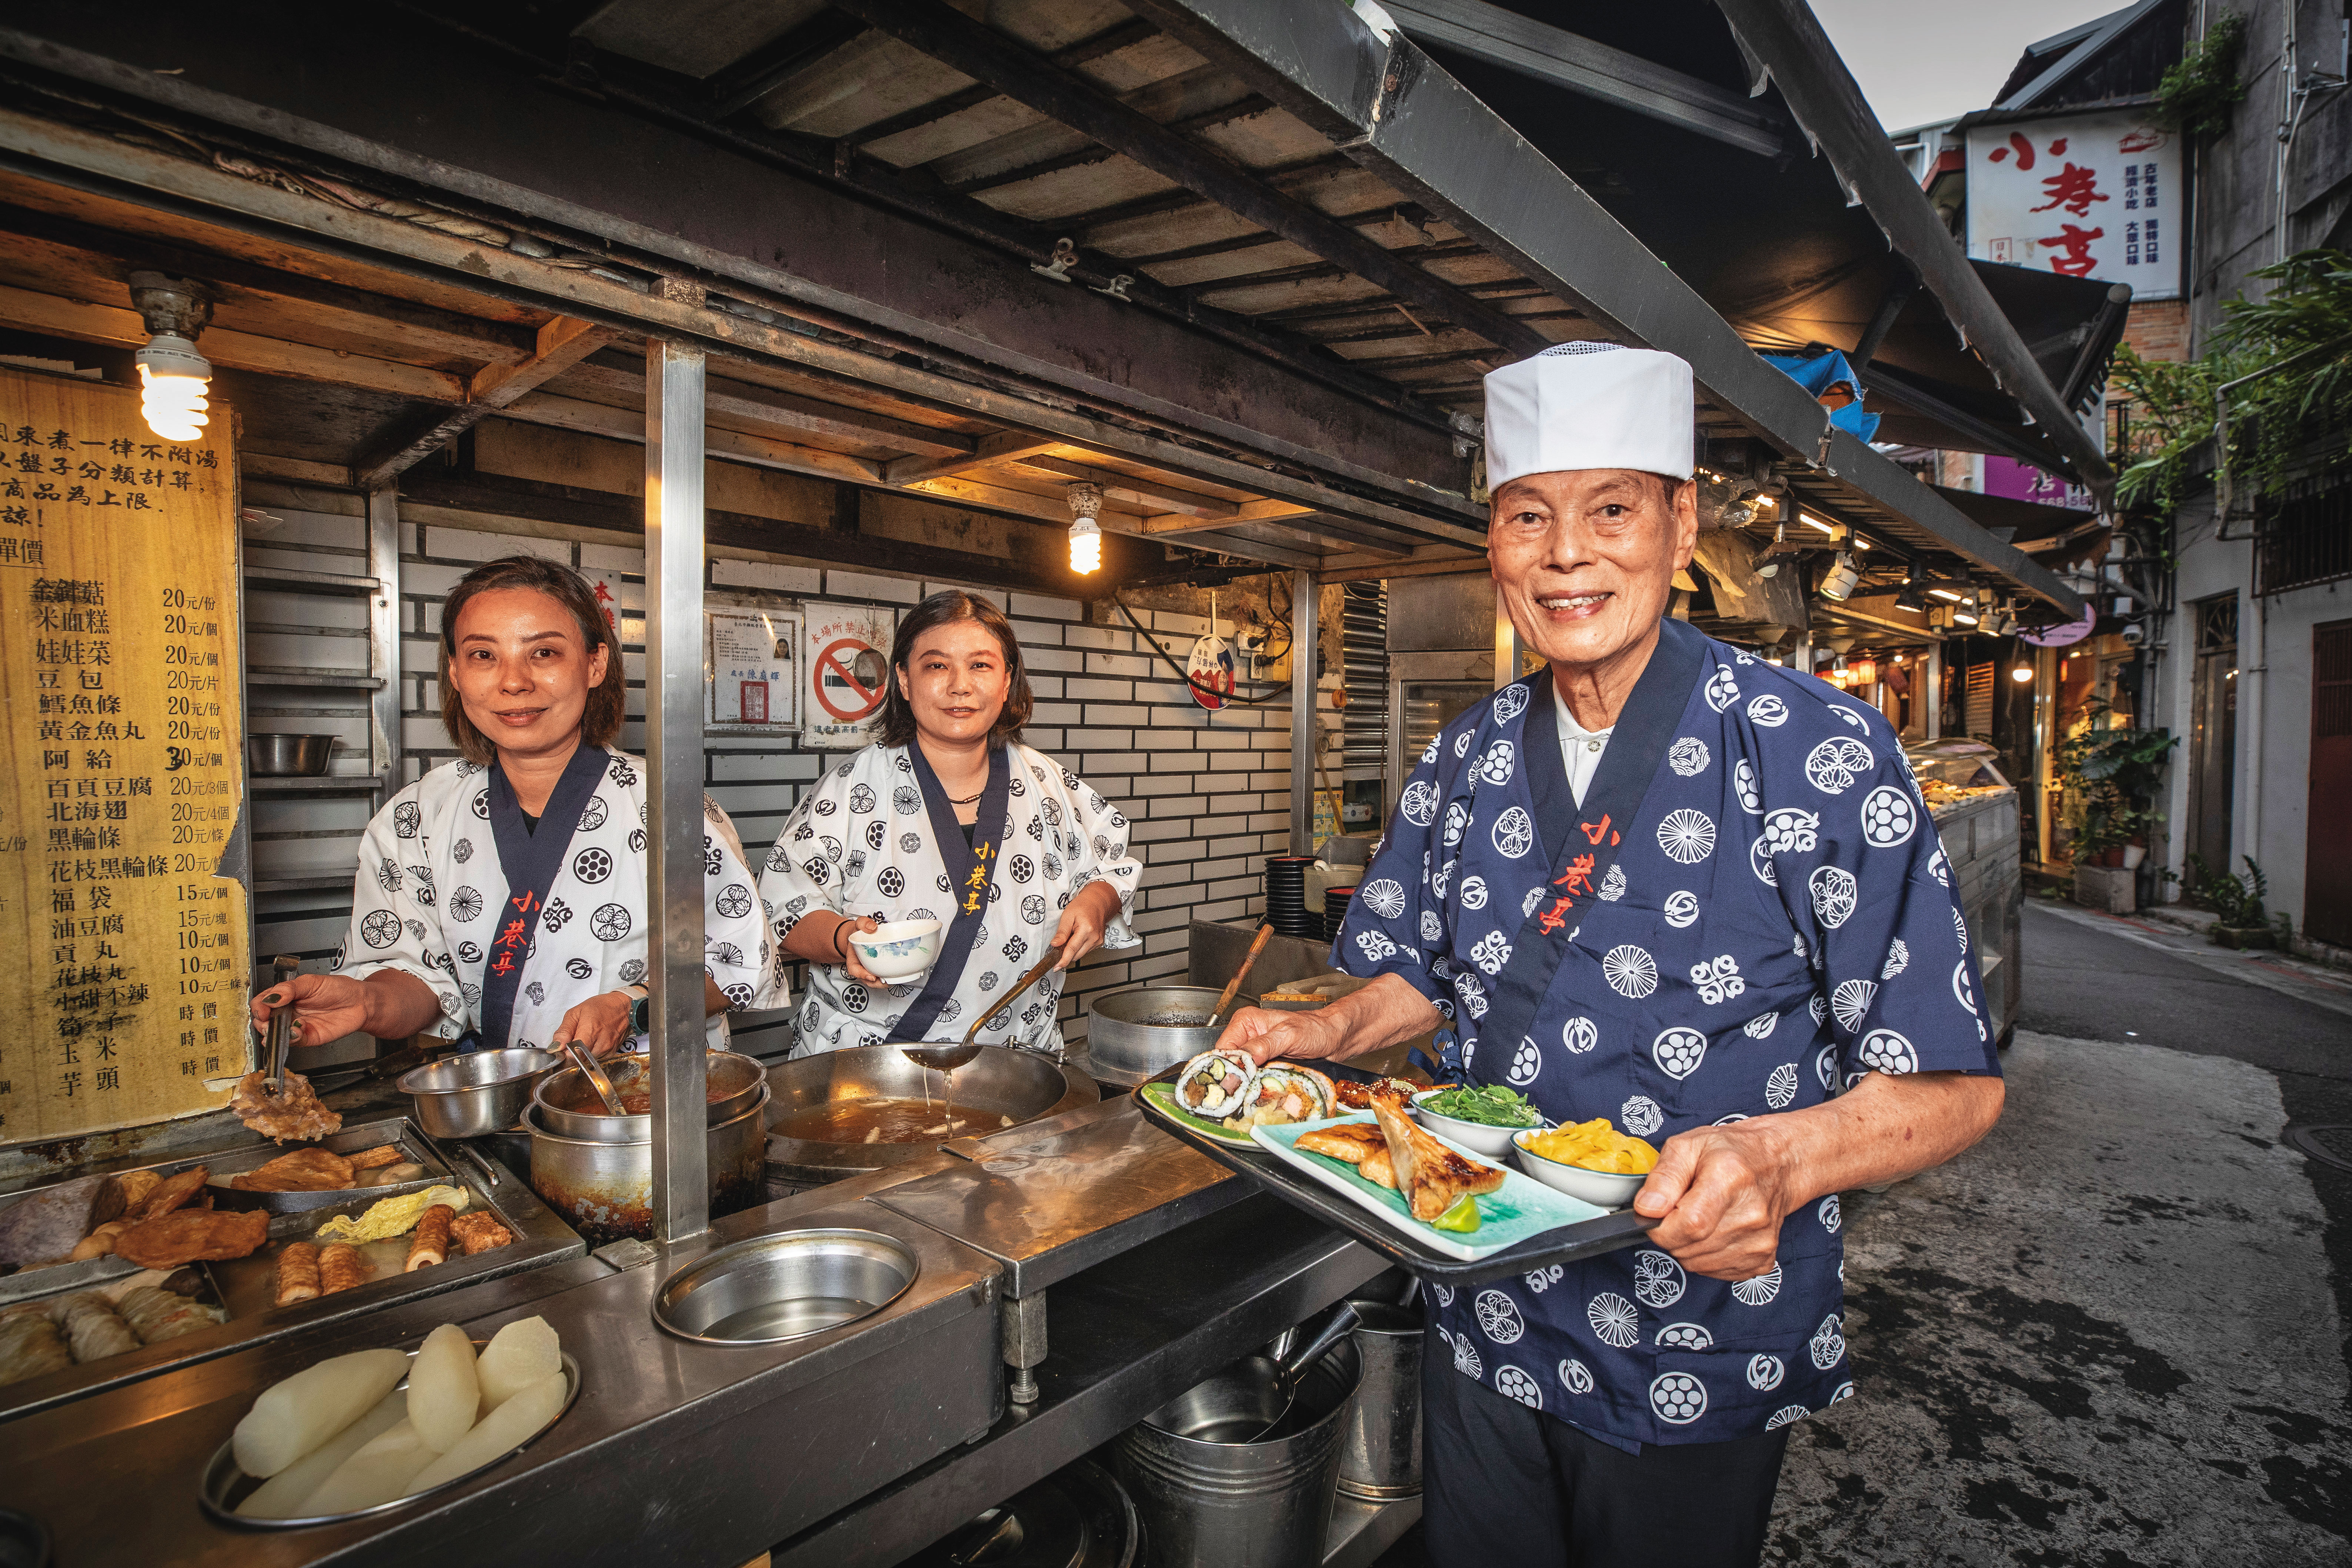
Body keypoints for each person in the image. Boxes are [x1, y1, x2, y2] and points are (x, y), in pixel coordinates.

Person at [1214, 343, 2005, 1565]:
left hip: (1693, 1339)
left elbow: (1953, 1080)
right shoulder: (1465, 757)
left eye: (1612, 509)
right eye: (1528, 514)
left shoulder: (1819, 750)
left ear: (1681, 523)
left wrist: (1779, 1156)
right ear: (1494, 545)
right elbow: (1416, 976)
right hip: (1485, 1312)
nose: (1567, 552)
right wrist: (1312, 1029)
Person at [250, 555, 770, 1058]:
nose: (513, 681)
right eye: (483, 655)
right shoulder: (417, 818)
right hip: (505, 1105)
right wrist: (367, 1000)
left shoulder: (668, 806)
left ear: (595, 663)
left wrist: (631, 1007)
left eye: (543, 653)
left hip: (658, 1103)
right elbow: (420, 982)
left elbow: (739, 963)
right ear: (455, 673)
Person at [760, 590, 1139, 1055]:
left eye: (980, 665)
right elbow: (784, 905)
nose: (960, 685)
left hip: (1015, 1057)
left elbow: (1110, 865)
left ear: (1007, 680)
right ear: (903, 679)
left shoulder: (1048, 784)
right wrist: (844, 939)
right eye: (936, 665)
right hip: (868, 1062)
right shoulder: (850, 789)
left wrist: (1097, 903)